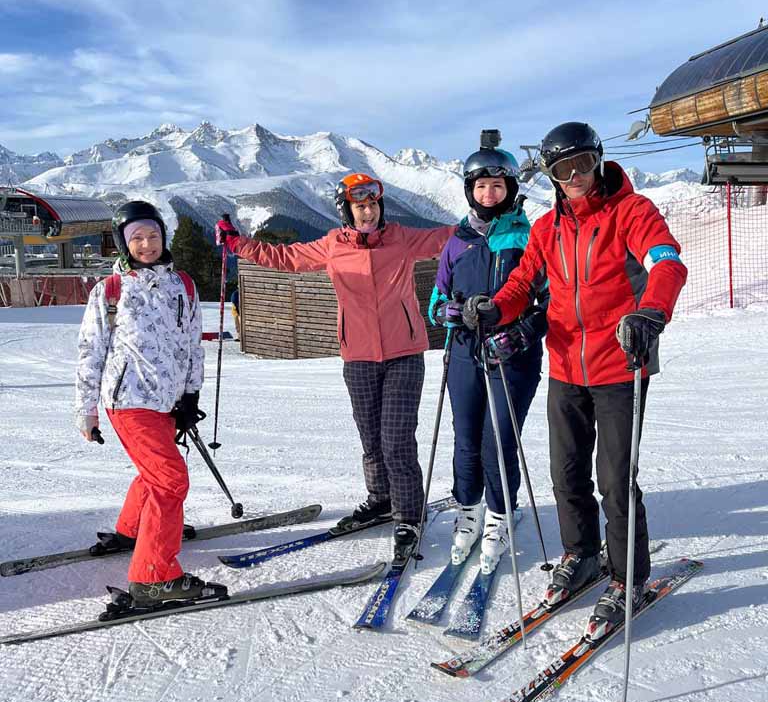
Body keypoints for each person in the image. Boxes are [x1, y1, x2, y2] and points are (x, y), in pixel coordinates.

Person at [462, 122, 687, 633]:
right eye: (562, 169)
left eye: (582, 164)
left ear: (597, 160)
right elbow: (523, 282)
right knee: (566, 473)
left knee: (615, 479)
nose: (575, 176)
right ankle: (581, 554)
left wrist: (651, 311)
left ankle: (627, 578)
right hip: (566, 366)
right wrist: (496, 308)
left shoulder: (633, 212)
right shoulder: (547, 228)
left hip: (620, 363)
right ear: (550, 175)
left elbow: (667, 264)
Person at [215, 174, 455, 563]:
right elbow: (284, 257)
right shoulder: (332, 246)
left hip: (404, 354)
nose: (368, 212)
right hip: (357, 356)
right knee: (371, 439)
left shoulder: (402, 238)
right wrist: (237, 243)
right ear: (347, 210)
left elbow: (447, 238)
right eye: (360, 206)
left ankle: (409, 515)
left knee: (396, 440)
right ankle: (380, 500)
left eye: (373, 205)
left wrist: (488, 219)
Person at [75, 201, 226, 607]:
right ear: (124, 243)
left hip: (167, 402)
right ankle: (154, 578)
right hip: (128, 401)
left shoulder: (184, 286)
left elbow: (192, 345)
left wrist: (190, 394)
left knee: (156, 473)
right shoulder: (110, 291)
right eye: (137, 238)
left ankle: (133, 530)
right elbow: (90, 352)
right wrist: (86, 411)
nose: (146, 244)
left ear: (164, 236)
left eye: (153, 235)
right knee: (170, 479)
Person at [429, 143, 547, 575]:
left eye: (497, 185)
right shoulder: (457, 241)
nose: (489, 194)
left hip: (511, 354)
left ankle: (499, 515)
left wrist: (520, 333)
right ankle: (469, 510)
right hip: (464, 351)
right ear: (470, 190)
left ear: (510, 188)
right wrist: (450, 312)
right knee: (465, 437)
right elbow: (436, 301)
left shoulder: (527, 236)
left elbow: (548, 301)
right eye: (481, 186)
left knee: (497, 439)